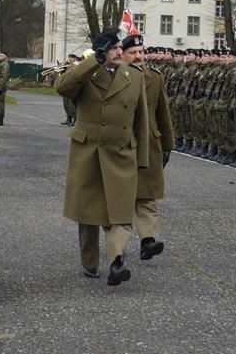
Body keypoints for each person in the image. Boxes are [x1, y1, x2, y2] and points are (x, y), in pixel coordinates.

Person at [56, 28, 149, 286]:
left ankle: (116, 261)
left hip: (121, 152)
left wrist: (143, 159)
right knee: (88, 215)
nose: (120, 52)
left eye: (121, 47)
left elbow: (141, 120)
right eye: (114, 48)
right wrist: (91, 62)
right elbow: (63, 87)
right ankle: (90, 263)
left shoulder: (134, 75)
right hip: (89, 152)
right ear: (101, 51)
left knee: (119, 214)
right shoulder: (87, 74)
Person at [121, 35, 174, 259]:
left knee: (146, 195)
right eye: (133, 52)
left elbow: (163, 112)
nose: (138, 56)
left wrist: (167, 145)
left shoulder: (155, 77)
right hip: (121, 143)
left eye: (141, 52)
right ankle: (118, 248)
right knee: (121, 196)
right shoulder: (112, 76)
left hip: (149, 142)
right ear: (122, 54)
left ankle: (148, 240)